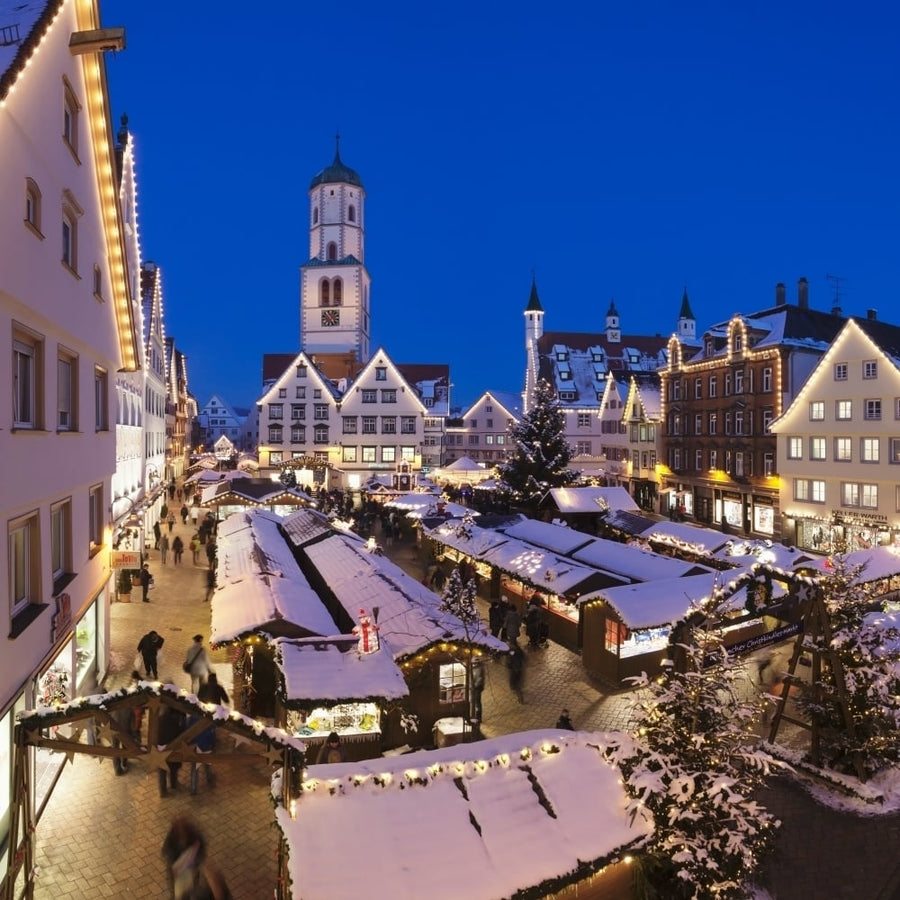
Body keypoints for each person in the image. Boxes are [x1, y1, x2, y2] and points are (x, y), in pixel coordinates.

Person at [157, 705, 186, 796]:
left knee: (162, 770)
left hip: (160, 748)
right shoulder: (173, 722)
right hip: (171, 748)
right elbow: (179, 733)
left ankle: (163, 791)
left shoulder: (158, 721)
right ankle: (173, 784)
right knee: (173, 767)